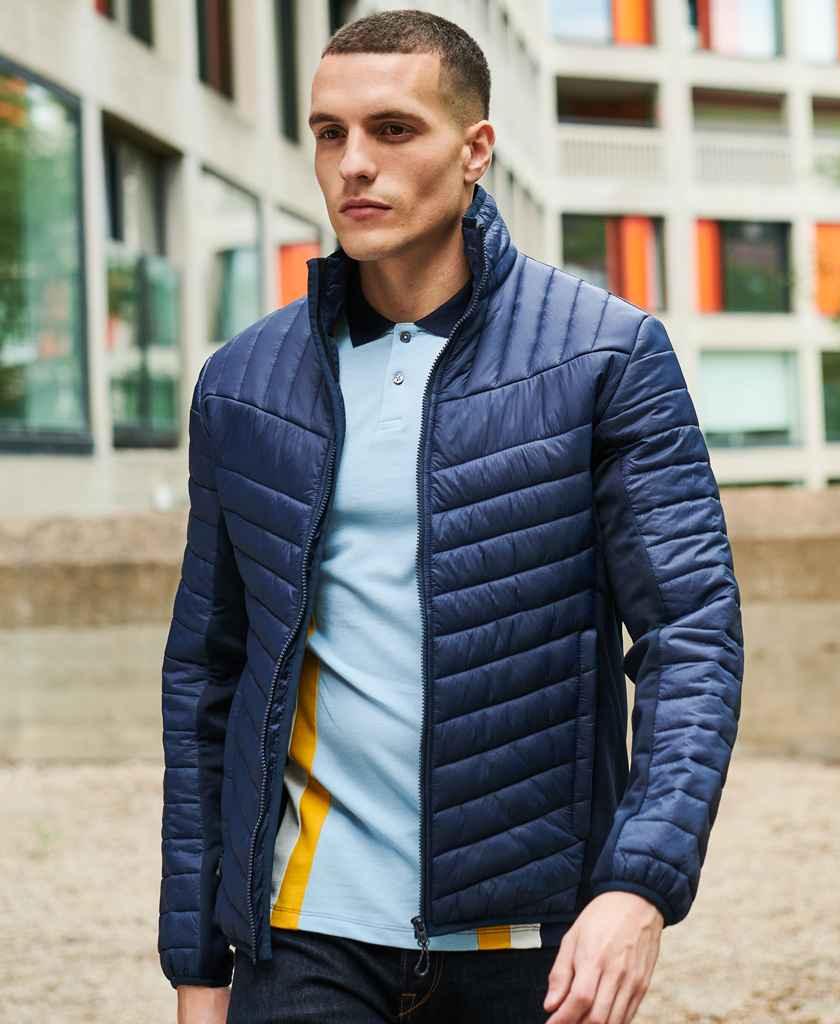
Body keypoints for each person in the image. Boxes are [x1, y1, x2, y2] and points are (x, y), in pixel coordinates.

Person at [158, 9, 744, 1024]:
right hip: (302, 937)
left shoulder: (605, 356)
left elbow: (690, 634)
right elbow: (207, 676)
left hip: (530, 949)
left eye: (393, 130)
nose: (354, 163)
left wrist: (639, 883)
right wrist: (197, 966)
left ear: (475, 150)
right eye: (330, 132)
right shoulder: (243, 384)